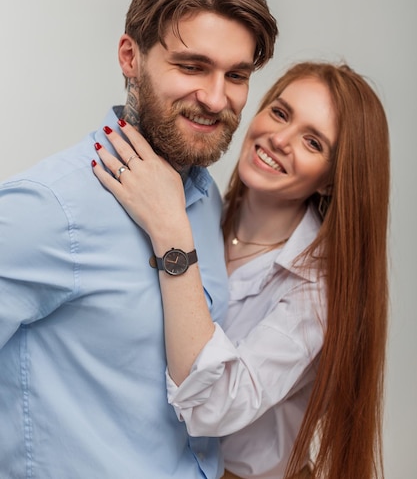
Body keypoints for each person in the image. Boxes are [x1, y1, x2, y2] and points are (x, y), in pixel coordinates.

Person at [0, 0, 278, 478]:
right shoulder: (50, 208)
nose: (217, 98)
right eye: (192, 66)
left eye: (236, 75)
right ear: (131, 56)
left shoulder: (205, 198)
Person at [92, 61, 390, 479]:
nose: (280, 139)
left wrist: (170, 233)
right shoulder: (203, 208)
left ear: (330, 180)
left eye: (312, 142)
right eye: (281, 113)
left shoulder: (315, 294)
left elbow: (213, 406)